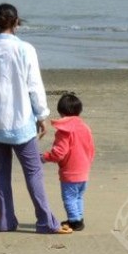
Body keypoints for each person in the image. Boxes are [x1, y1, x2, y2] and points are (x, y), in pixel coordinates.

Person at [0, 3, 62, 234]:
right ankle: (44, 220)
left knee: (2, 171)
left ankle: (6, 219)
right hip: (20, 119)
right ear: (16, 22)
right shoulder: (25, 49)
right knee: (33, 171)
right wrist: (42, 114)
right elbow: (34, 86)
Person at [41, 91, 96, 233]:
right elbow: (91, 149)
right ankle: (78, 218)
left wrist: (45, 157)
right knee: (78, 196)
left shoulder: (64, 130)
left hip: (70, 171)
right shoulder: (85, 127)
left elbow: (59, 153)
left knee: (69, 198)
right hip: (84, 170)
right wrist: (87, 164)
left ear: (61, 112)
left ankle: (74, 221)